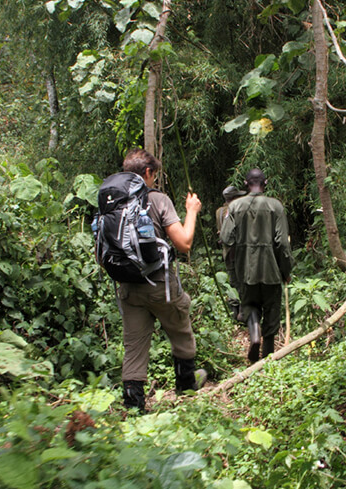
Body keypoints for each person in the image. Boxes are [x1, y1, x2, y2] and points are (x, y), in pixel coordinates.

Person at [114, 148, 206, 412]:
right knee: (180, 331)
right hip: (160, 286)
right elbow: (184, 242)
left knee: (134, 347)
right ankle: (186, 388)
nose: (155, 180)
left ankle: (133, 407)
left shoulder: (113, 201)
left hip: (128, 288)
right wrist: (191, 210)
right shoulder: (156, 199)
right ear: (147, 172)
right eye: (154, 175)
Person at [219, 168, 293, 363]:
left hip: (245, 270)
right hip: (271, 270)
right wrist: (286, 270)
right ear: (265, 183)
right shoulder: (276, 206)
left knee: (250, 304)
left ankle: (253, 336)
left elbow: (226, 238)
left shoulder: (234, 206)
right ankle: (267, 359)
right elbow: (282, 243)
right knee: (271, 310)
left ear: (245, 183)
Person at [215, 185, 247, 320]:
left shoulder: (219, 212)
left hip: (227, 252)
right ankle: (243, 313)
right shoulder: (239, 210)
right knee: (244, 281)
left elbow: (221, 232)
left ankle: (234, 312)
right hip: (241, 251)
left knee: (233, 281)